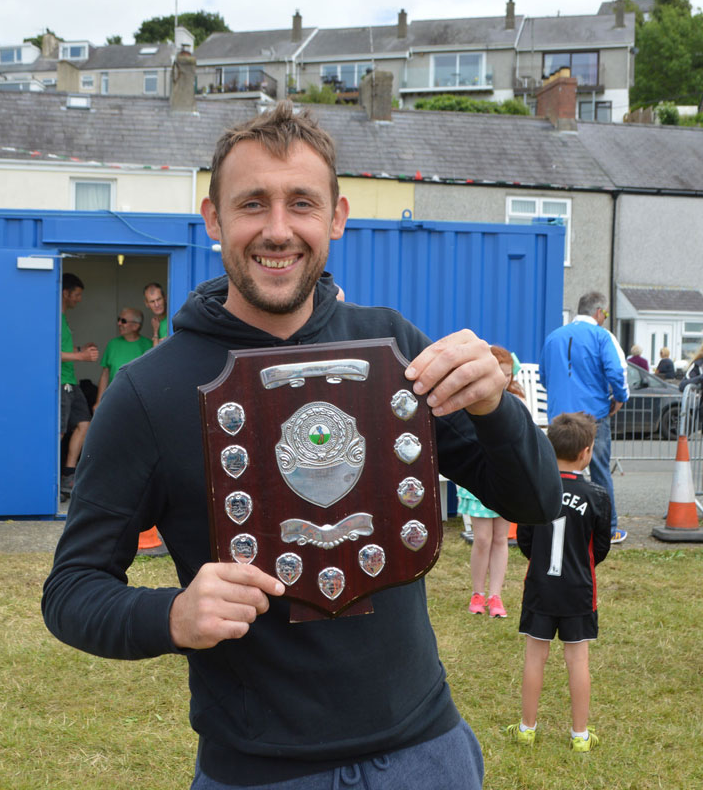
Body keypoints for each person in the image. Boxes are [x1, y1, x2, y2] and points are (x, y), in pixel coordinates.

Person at [42, 101, 561, 790]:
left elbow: (535, 499)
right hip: (261, 774)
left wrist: (497, 409)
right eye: (253, 203)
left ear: (337, 217)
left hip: (425, 755)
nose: (278, 230)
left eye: (302, 203)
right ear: (214, 219)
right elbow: (71, 590)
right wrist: (170, 614)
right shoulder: (147, 392)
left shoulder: (395, 348)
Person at [507, 412, 611, 753]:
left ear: (550, 449)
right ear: (586, 452)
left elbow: (524, 540)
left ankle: (527, 728)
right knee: (577, 659)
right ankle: (579, 735)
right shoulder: (597, 495)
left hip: (540, 588)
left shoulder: (536, 490)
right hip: (579, 591)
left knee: (535, 657)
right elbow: (601, 547)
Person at [540, 292, 629, 544]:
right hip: (593, 416)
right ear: (599, 312)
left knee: (557, 470)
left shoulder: (553, 337)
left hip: (560, 417)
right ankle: (609, 528)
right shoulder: (602, 336)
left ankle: (555, 521)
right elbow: (615, 372)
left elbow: (544, 378)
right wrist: (620, 398)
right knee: (600, 471)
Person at [461, 345, 526, 619]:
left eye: (509, 374)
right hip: (480, 476)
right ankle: (478, 592)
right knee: (483, 539)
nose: (505, 379)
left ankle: (495, 595)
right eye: (500, 373)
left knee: (501, 538)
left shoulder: (517, 402)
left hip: (508, 477)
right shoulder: (472, 400)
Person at [59, 273, 98, 501]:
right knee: (60, 431)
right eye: (77, 295)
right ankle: (50, 478)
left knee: (84, 424)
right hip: (62, 382)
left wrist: (81, 349)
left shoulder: (63, 318)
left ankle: (68, 476)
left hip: (72, 382)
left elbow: (65, 349)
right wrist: (82, 356)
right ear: (65, 293)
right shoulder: (53, 315)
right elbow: (50, 352)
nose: (79, 299)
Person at [93, 308, 153, 410]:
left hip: (138, 401)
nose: (119, 323)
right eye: (118, 319)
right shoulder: (112, 344)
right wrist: (99, 401)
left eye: (123, 321)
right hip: (114, 400)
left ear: (136, 326)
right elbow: (105, 374)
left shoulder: (148, 346)